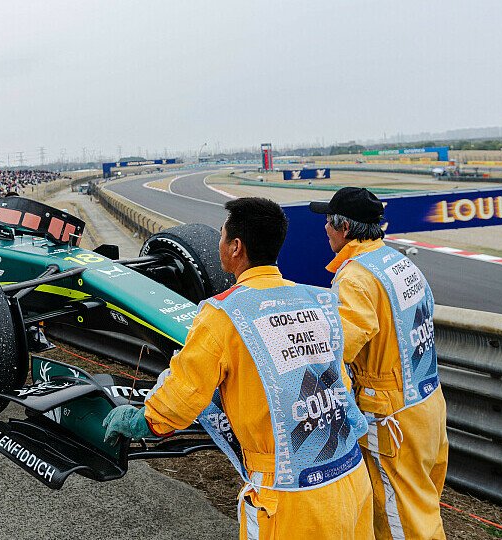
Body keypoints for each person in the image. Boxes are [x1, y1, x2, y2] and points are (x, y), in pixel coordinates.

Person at [103, 197, 372, 540]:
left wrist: (143, 419)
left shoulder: (222, 315)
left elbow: (185, 392)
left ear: (235, 247)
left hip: (289, 499)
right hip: (350, 477)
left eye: (221, 235)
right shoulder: (318, 300)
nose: (217, 244)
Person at [309, 187, 448, 540]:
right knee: (421, 508)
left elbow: (337, 351)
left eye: (328, 221)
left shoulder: (355, 278)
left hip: (390, 416)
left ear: (343, 228)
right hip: (428, 402)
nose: (324, 228)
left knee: (399, 523)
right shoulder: (399, 262)